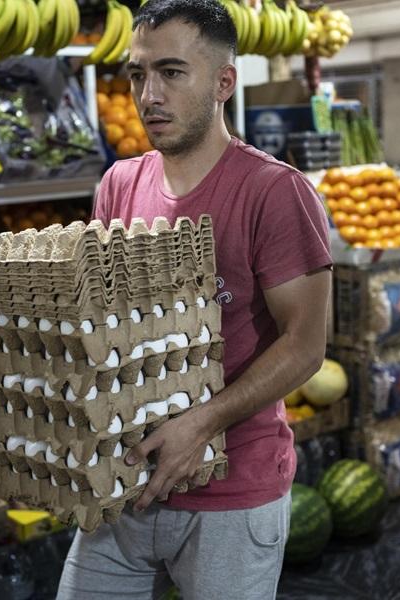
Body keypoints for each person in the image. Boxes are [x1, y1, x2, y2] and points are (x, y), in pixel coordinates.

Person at [56, 1, 332, 598]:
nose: (148, 95)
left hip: (231, 495)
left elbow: (306, 346)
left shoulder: (274, 192)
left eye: (172, 72)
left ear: (223, 82)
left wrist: (202, 424)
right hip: (124, 483)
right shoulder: (119, 185)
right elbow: (107, 323)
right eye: (138, 74)